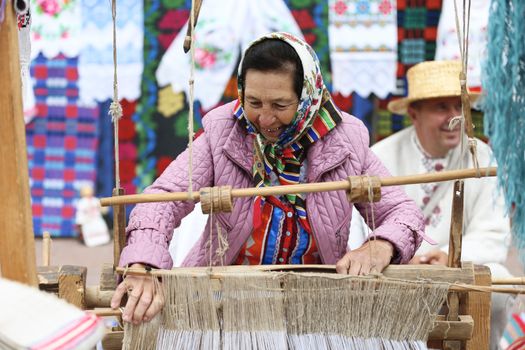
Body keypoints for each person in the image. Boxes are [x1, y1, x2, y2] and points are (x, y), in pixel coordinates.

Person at [110, 32, 425, 325]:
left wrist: (379, 246)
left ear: (307, 96)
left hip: (317, 304)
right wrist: (143, 265)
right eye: (254, 103)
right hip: (222, 299)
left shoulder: (344, 142)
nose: (264, 119)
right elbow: (160, 200)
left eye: (280, 105)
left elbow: (403, 212)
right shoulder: (223, 133)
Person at [350, 60, 513, 349]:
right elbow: (356, 228)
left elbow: (494, 235)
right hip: (394, 270)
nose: (454, 117)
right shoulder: (380, 157)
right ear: (414, 113)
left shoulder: (483, 157)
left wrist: (447, 256)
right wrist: (394, 254)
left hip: (457, 268)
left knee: (499, 281)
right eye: (441, 107)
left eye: (458, 106)